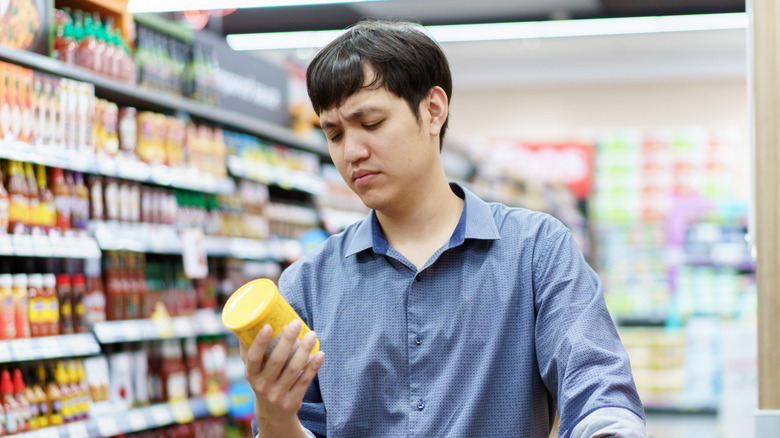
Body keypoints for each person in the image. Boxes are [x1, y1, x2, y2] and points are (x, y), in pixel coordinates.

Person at [240, 19, 646, 438]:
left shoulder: (536, 250)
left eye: (371, 123)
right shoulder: (307, 285)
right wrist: (274, 414)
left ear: (433, 110)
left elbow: (598, 388)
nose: (352, 152)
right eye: (335, 133)